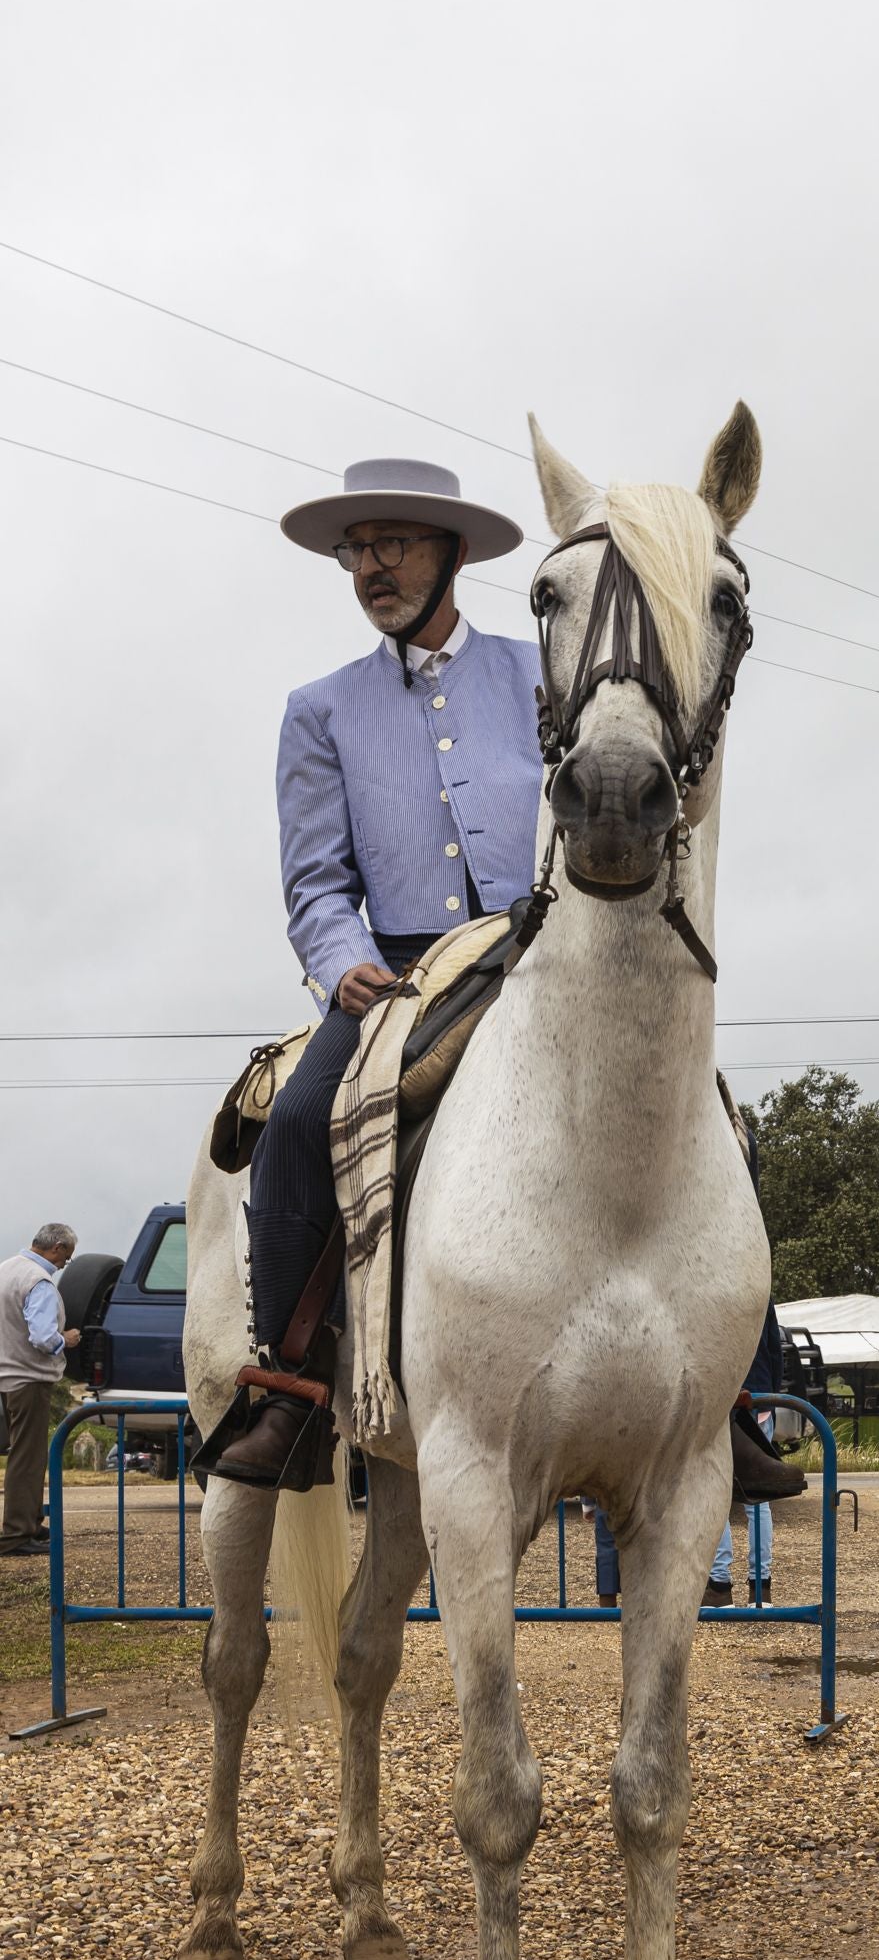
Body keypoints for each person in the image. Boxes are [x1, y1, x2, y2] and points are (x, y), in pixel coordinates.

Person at [208, 459, 536, 1484]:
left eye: (391, 543)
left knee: (709, 1109)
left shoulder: (545, 673)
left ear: (453, 553)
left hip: (545, 952)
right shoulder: (320, 709)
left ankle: (736, 1396)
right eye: (356, 549)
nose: (368, 567)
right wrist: (341, 960)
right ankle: (291, 1391)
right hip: (401, 973)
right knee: (301, 1118)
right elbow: (314, 879)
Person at [0, 1224, 81, 1556]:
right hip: (29, 1379)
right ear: (57, 1247)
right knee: (28, 1459)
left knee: (23, 1454)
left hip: (6, 1376)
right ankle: (18, 1533)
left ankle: (30, 1521)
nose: (64, 1264)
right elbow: (43, 1337)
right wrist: (67, 1339)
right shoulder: (39, 1281)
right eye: (66, 1257)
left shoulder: (6, 1270)